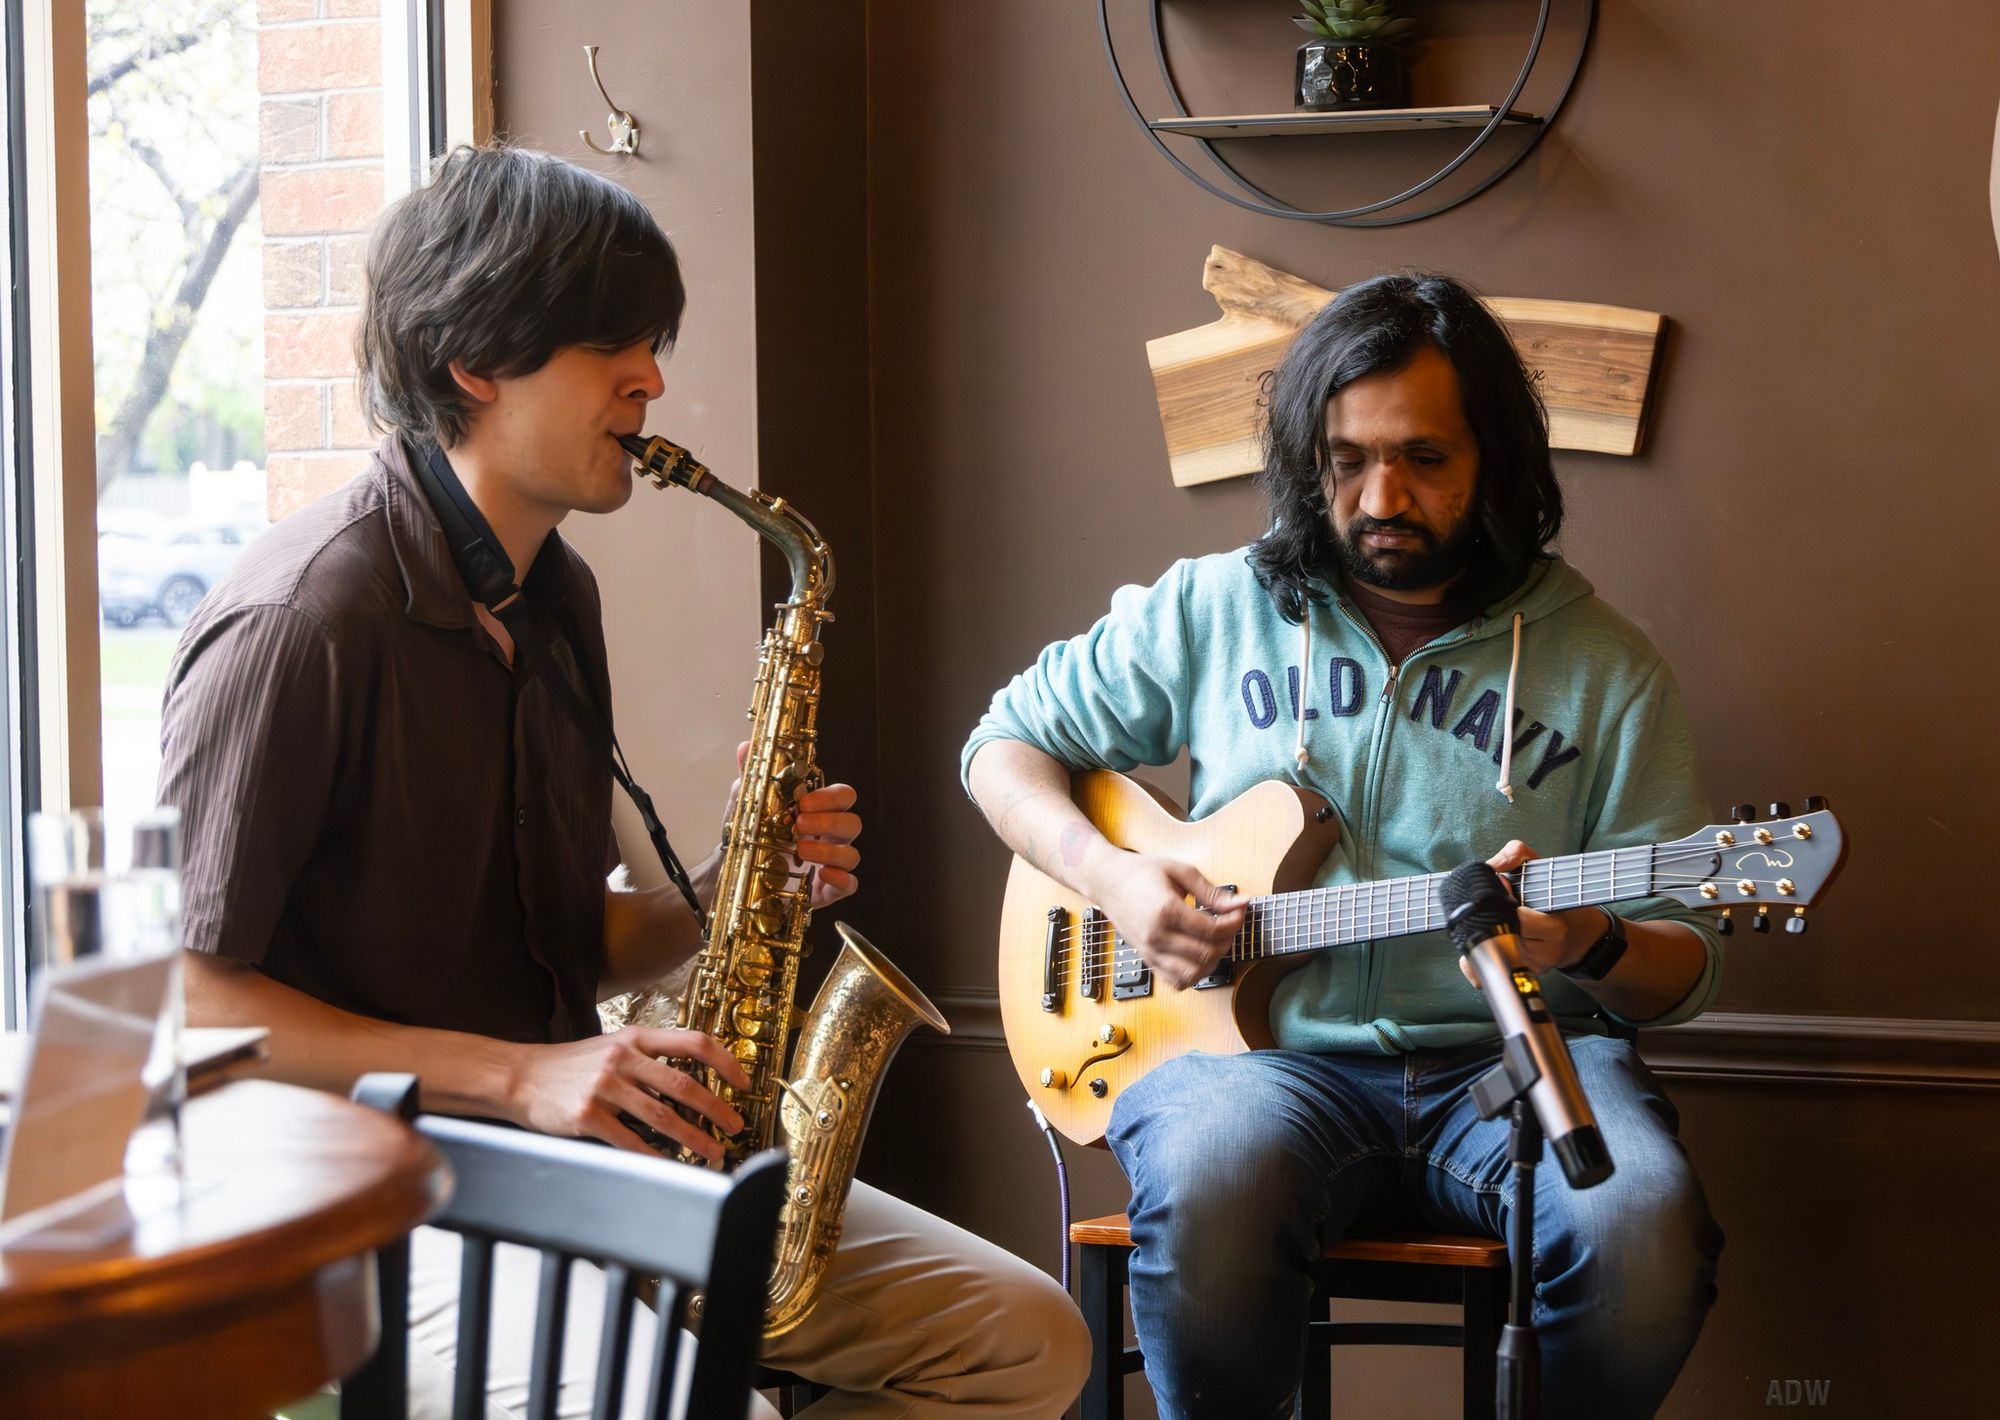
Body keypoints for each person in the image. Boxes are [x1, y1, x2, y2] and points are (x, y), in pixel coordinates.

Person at [161, 144, 1087, 1420]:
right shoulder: (300, 619)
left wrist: (732, 892)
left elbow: (564, 941)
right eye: (612, 345)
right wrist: (522, 1074)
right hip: (342, 1191)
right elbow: (189, 1007)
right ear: (470, 360)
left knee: (1024, 1337)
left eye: (650, 340)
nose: (653, 378)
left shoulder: (553, 593)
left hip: (553, 1152)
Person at [963, 273, 1725, 1419]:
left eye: (1423, 458)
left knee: (1641, 1235)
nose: (1380, 495)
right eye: (1344, 459)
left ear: (1495, 461)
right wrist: (1112, 877)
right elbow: (1001, 745)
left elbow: (1686, 960)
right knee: (1213, 1176)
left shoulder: (1608, 670)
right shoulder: (1213, 607)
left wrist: (1583, 938)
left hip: (1504, 1071)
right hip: (1257, 1069)